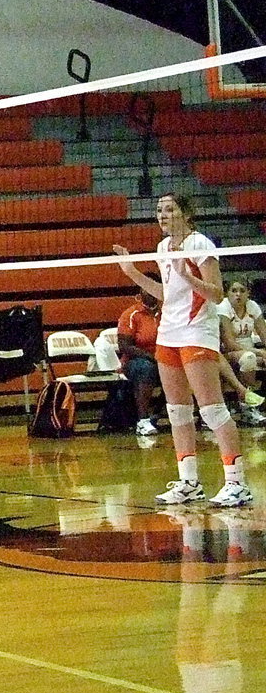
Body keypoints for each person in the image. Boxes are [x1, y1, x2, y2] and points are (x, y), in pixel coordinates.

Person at [114, 191, 254, 508]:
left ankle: (237, 482)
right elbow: (167, 294)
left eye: (169, 209)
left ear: (185, 214)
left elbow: (217, 294)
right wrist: (133, 273)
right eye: (159, 210)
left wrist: (187, 275)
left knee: (212, 409)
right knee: (177, 411)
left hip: (197, 331)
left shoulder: (199, 244)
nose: (162, 215)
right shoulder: (164, 248)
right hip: (170, 332)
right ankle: (189, 482)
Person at [216, 275, 266, 424]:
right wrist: (259, 352)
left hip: (249, 349)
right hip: (227, 352)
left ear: (248, 293)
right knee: (248, 357)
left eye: (242, 290)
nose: (238, 294)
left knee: (250, 356)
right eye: (234, 290)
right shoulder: (223, 308)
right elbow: (229, 342)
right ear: (227, 293)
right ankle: (247, 407)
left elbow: (264, 336)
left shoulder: (253, 307)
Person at [116, 283, 163, 436]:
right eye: (146, 288)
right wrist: (152, 357)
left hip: (165, 357)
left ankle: (163, 413)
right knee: (146, 368)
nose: (150, 291)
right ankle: (142, 421)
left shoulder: (167, 312)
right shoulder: (131, 314)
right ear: (140, 292)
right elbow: (124, 346)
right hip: (135, 361)